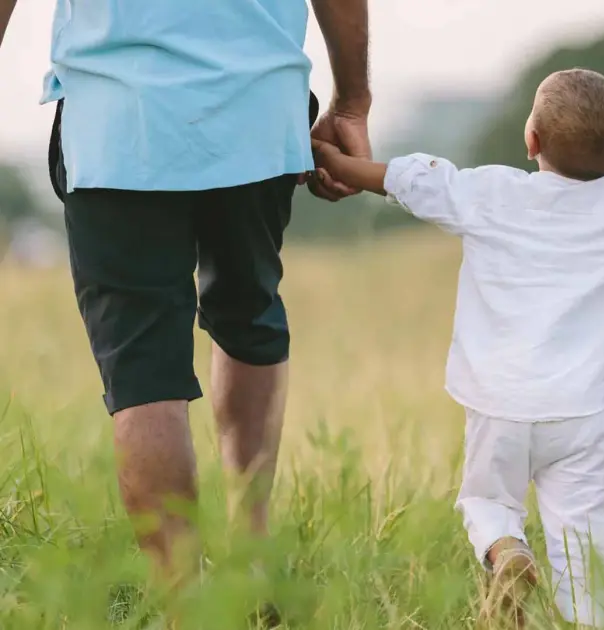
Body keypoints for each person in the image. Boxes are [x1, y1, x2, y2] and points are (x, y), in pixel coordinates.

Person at [311, 68, 604, 626]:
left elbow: (404, 181)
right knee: (583, 542)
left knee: (487, 502)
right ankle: (585, 618)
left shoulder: (490, 192)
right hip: (585, 413)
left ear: (532, 139)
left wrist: (327, 157)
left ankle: (506, 551)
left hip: (498, 404)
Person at [0, 0, 372, 593]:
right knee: (248, 313)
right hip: (256, 105)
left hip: (117, 116)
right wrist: (351, 101)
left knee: (143, 369)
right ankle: (252, 559)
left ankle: (187, 606)